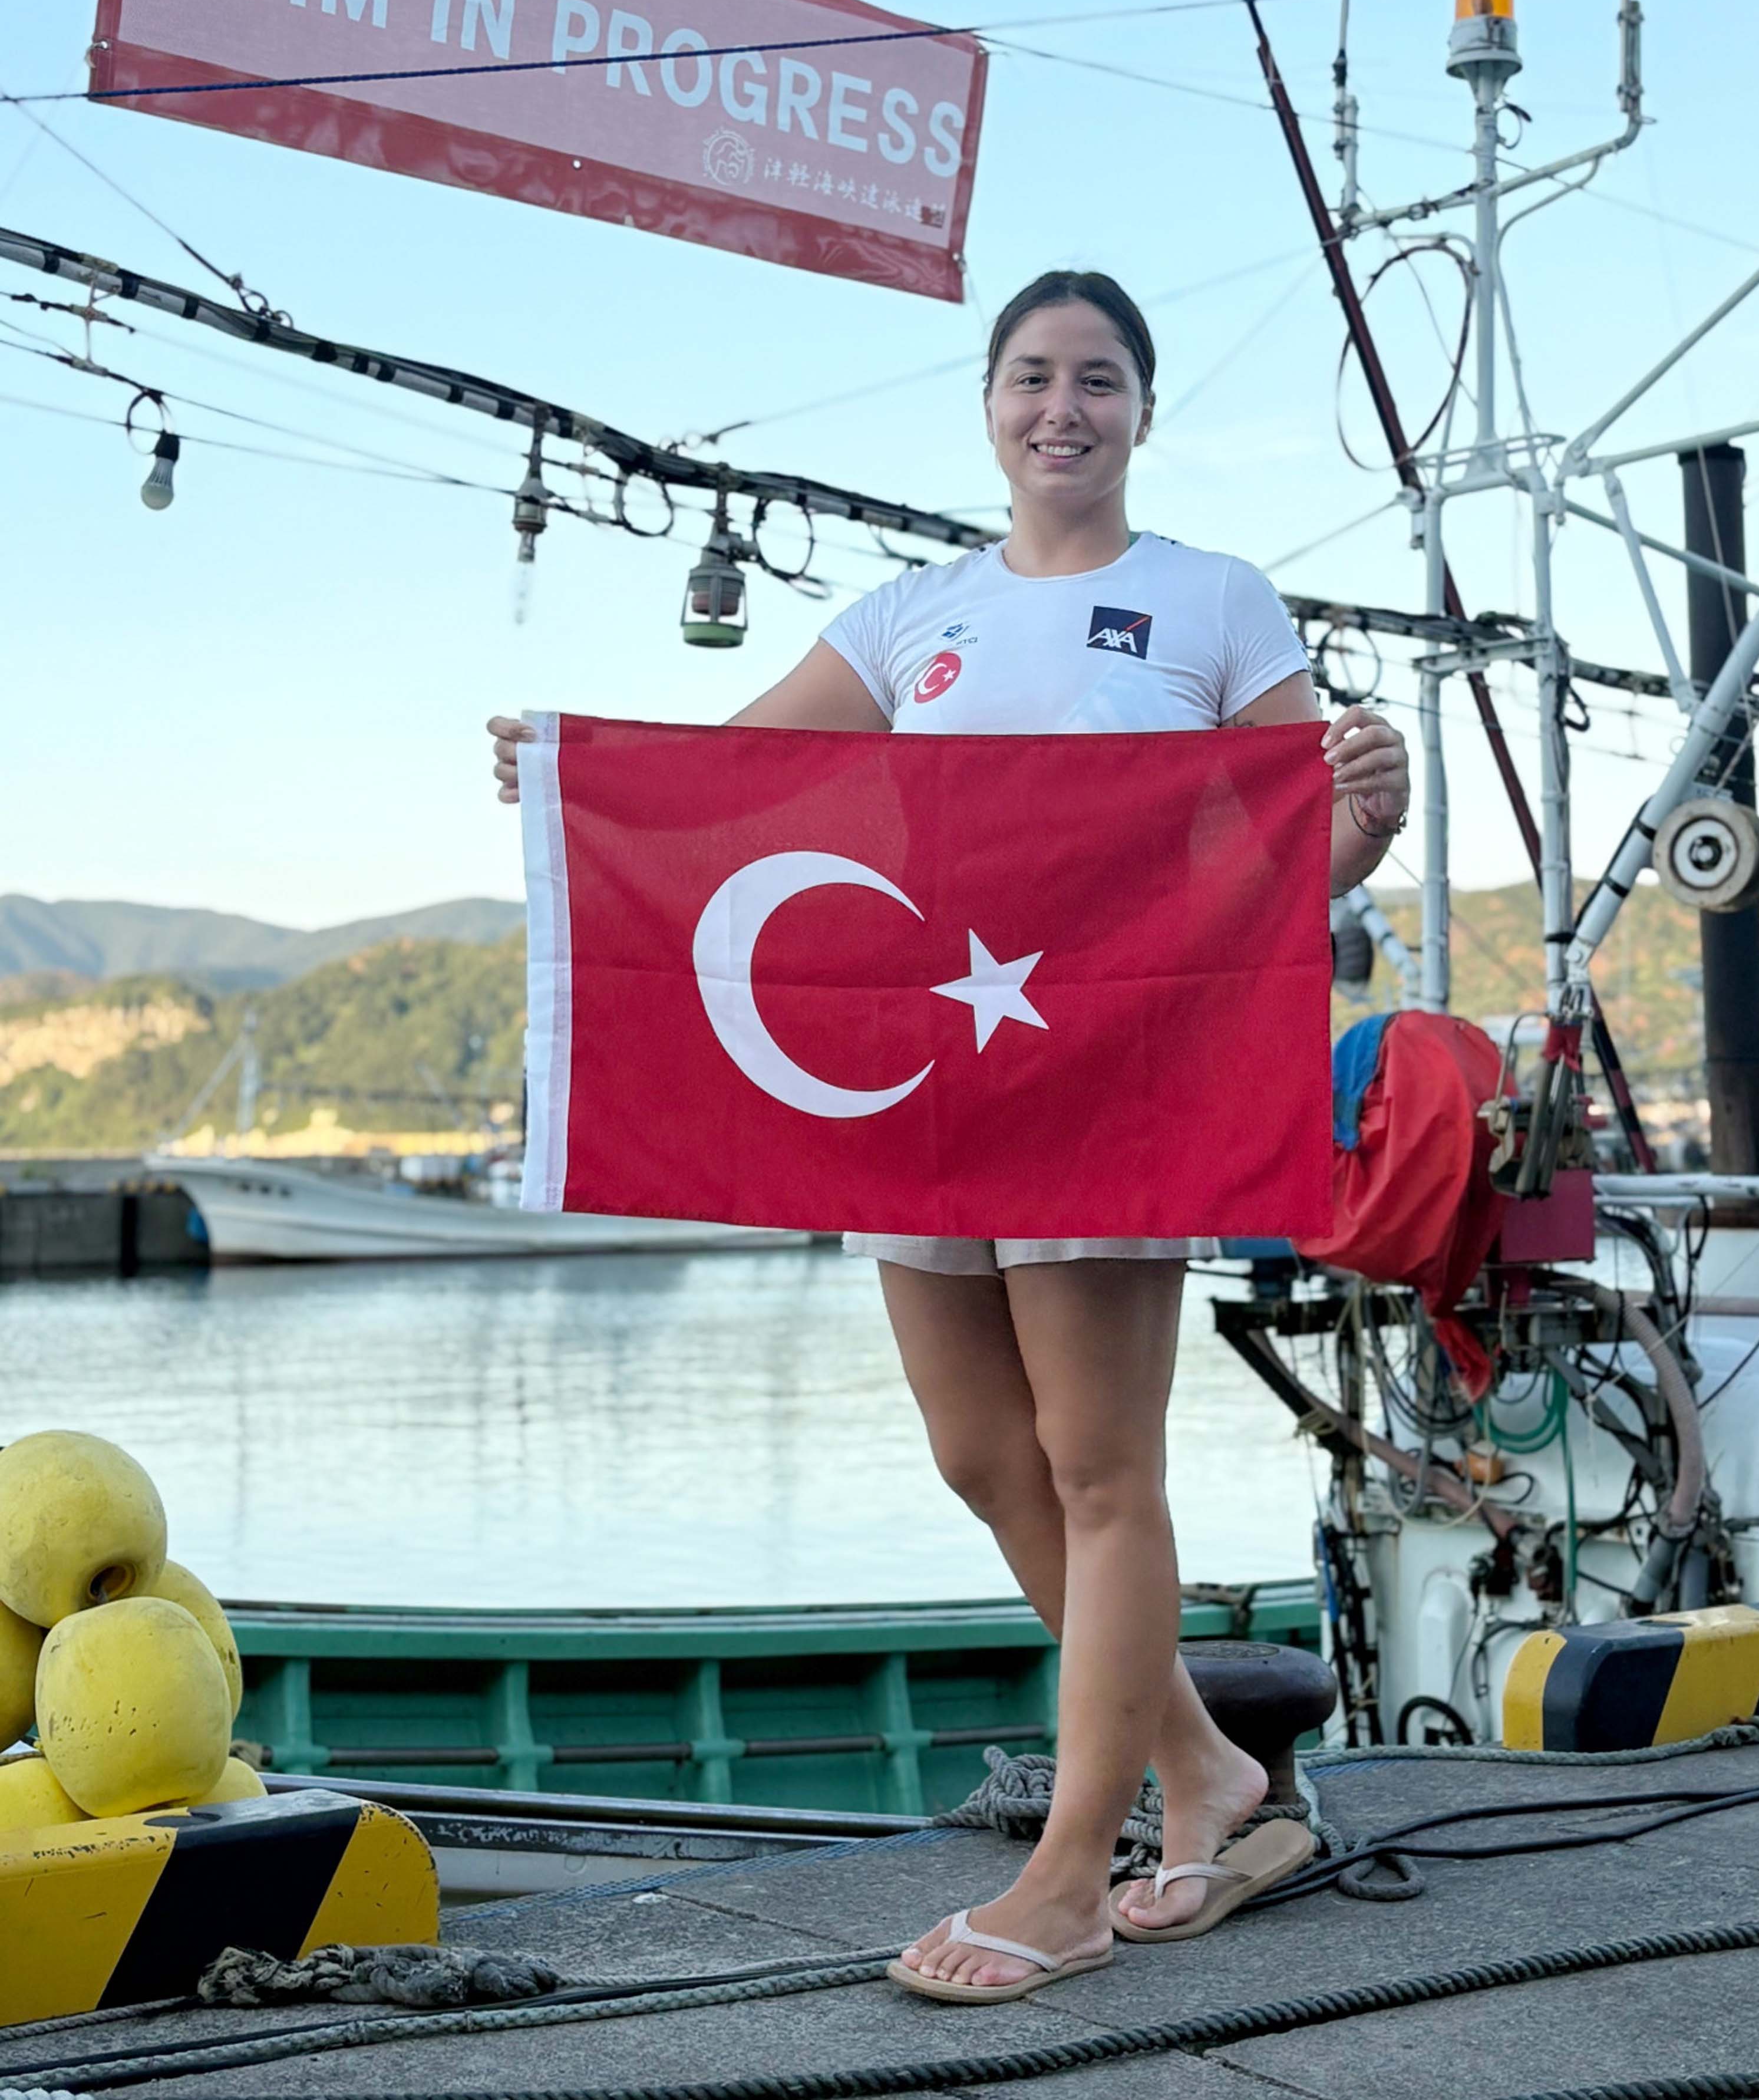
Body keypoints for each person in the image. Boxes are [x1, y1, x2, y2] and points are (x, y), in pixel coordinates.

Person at [489, 268, 1409, 2002]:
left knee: (1101, 1465)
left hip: (1111, 1075)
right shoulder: (912, 615)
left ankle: (1071, 1875)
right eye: (1034, 376)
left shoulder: (1215, 601)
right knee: (984, 1454)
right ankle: (1211, 1773)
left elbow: (1286, 867)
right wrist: (571, 773)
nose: (1065, 408)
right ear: (989, 406)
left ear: (1145, 410)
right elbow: (728, 775)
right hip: (934, 1076)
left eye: (1101, 379)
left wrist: (1368, 816)